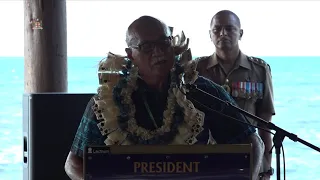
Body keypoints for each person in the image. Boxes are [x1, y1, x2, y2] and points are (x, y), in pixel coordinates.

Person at [64, 15, 264, 180]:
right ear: (130, 54)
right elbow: (74, 164)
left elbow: (253, 143)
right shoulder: (108, 102)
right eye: (147, 47)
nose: (158, 52)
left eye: (163, 43)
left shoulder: (201, 91)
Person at [195, 10, 275, 180]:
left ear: (240, 33)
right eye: (217, 29)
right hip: (209, 159)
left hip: (249, 158)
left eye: (230, 28)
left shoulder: (259, 70)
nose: (223, 33)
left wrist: (266, 169)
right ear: (210, 35)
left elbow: (265, 124)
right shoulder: (197, 70)